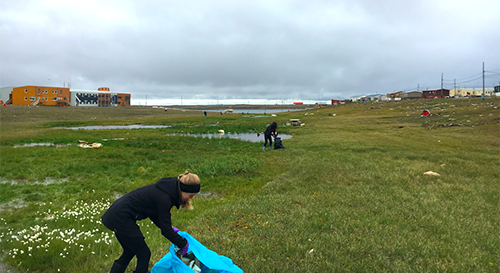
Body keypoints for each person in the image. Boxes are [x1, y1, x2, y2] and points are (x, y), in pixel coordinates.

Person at [101, 171, 201, 273]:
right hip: (120, 217)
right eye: (190, 195)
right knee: (144, 253)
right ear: (183, 190)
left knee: (130, 250)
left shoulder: (166, 190)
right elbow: (165, 231)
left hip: (117, 214)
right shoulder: (165, 198)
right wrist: (183, 243)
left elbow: (153, 213)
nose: (192, 198)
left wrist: (170, 228)